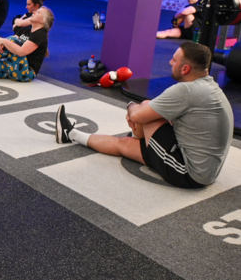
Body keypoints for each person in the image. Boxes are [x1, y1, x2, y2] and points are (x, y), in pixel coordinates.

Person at [56, 42, 233, 189]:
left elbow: (140, 116)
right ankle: (70, 134)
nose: (171, 62)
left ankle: (137, 135)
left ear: (185, 68)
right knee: (125, 144)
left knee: (145, 109)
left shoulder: (186, 90)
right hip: (203, 168)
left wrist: (131, 106)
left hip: (188, 171)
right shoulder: (210, 86)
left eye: (174, 60)